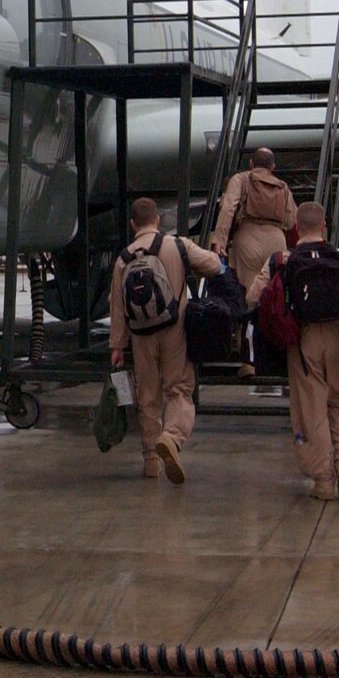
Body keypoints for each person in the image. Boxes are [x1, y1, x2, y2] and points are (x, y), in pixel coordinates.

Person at [108, 196, 221, 484]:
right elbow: (213, 266)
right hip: (176, 329)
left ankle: (150, 461)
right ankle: (171, 437)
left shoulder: (123, 259)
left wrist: (117, 346)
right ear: (158, 220)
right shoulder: (177, 245)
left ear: (133, 223)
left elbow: (117, 305)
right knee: (179, 389)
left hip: (140, 335)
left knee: (147, 397)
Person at [271, 201, 339, 501]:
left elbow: (255, 296)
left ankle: (323, 480)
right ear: (324, 226)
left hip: (304, 340)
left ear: (297, 229)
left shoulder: (284, 260)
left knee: (311, 408)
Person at [209, 147, 296, 378]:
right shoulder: (282, 186)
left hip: (247, 239)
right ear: (272, 167)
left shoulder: (241, 179)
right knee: (276, 296)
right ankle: (277, 352)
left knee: (246, 298)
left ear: (250, 163)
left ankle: (248, 361)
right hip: (276, 240)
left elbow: (228, 208)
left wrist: (219, 240)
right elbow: (290, 220)